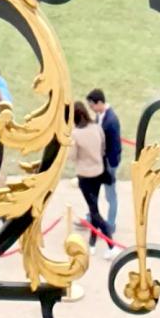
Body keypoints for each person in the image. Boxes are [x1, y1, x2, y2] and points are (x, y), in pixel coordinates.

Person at [69, 101, 114, 249]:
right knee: (93, 207)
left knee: (94, 210)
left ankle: (110, 242)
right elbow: (103, 148)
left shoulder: (75, 134)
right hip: (98, 172)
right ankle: (93, 242)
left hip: (85, 175)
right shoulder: (96, 127)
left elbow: (72, 157)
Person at [86, 87, 122, 234]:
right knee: (94, 190)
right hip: (101, 162)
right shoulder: (101, 116)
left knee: (110, 195)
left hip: (108, 164)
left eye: (92, 106)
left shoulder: (111, 120)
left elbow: (112, 147)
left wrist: (109, 166)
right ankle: (92, 217)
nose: (92, 109)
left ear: (99, 102)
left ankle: (111, 224)